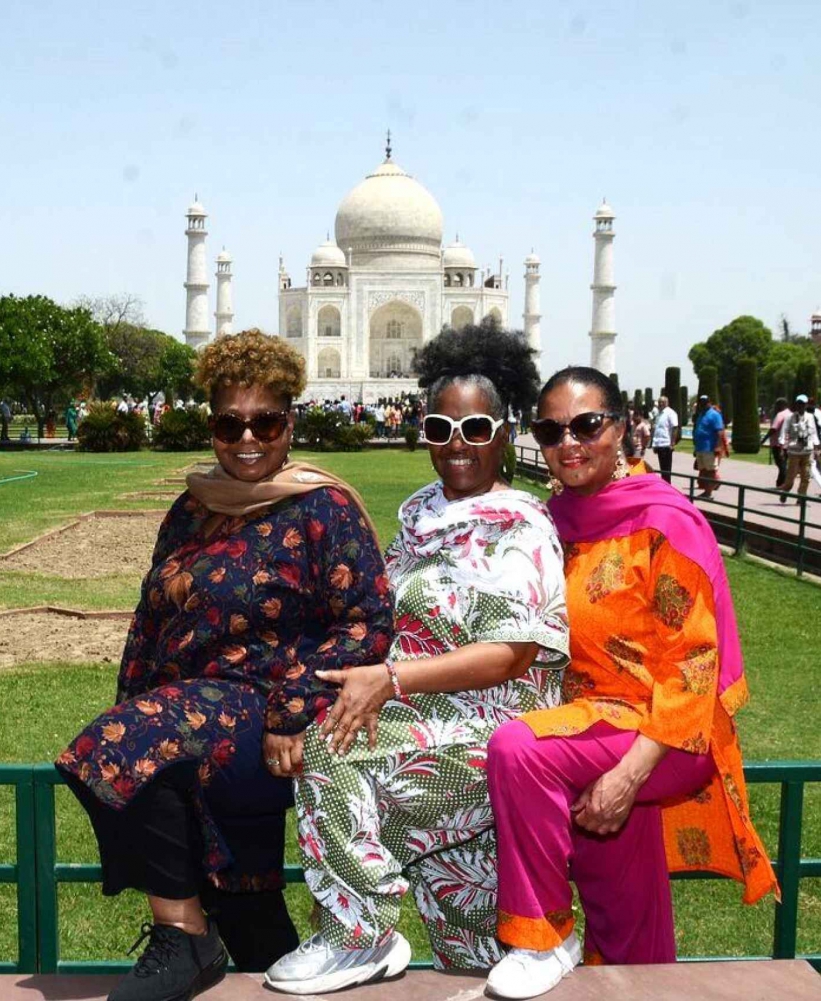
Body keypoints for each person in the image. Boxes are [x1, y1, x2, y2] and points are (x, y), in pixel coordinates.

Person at [54, 330, 393, 1001]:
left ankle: (183, 935)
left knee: (110, 746)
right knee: (246, 904)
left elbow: (367, 623)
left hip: (263, 720)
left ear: (289, 422)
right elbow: (152, 620)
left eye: (265, 421)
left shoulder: (322, 508)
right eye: (229, 422)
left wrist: (291, 706)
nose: (247, 438)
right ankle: (215, 935)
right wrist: (139, 704)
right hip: (187, 723)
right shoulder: (193, 509)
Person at [266, 324, 568, 993]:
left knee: (332, 752)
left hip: (496, 730)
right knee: (468, 941)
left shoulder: (519, 525)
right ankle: (363, 922)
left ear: (503, 431)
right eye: (441, 426)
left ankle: (358, 934)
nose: (457, 444)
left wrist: (391, 679)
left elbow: (512, 652)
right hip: (420, 720)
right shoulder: (423, 517)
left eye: (476, 427)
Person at [483, 366, 777, 999]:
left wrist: (629, 773)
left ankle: (540, 935)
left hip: (661, 735)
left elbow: (694, 660)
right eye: (552, 430)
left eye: (587, 425)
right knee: (627, 916)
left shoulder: (660, 521)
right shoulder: (552, 523)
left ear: (621, 428)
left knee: (518, 750)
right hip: (587, 731)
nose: (570, 443)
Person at [777, 395, 818, 502]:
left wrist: (817, 447)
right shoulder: (790, 417)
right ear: (796, 404)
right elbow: (783, 431)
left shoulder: (810, 417)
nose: (801, 406)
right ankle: (785, 491)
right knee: (791, 477)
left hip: (807, 450)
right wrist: (782, 446)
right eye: (799, 403)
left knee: (806, 476)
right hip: (794, 451)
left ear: (806, 405)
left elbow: (814, 433)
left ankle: (801, 497)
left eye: (803, 404)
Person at [691, 395, 724, 499]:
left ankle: (709, 492)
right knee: (703, 470)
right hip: (700, 447)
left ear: (709, 403)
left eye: (705, 402)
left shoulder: (714, 415)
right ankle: (706, 490)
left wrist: (718, 447)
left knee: (710, 470)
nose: (703, 405)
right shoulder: (701, 414)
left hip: (709, 448)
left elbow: (719, 432)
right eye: (701, 403)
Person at [649, 394, 679, 483]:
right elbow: (657, 429)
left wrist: (672, 443)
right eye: (659, 402)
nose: (660, 404)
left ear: (667, 403)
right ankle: (664, 484)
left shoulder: (670, 413)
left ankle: (667, 486)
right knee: (662, 469)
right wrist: (654, 445)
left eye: (662, 402)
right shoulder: (659, 414)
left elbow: (675, 428)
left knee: (666, 470)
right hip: (659, 444)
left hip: (666, 444)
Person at [763, 397, 789, 488]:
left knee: (781, 464)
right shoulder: (791, 414)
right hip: (788, 444)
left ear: (781, 405)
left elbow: (773, 429)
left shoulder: (780, 415)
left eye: (777, 405)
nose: (776, 407)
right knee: (783, 463)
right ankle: (780, 482)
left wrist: (763, 439)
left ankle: (782, 483)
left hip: (778, 444)